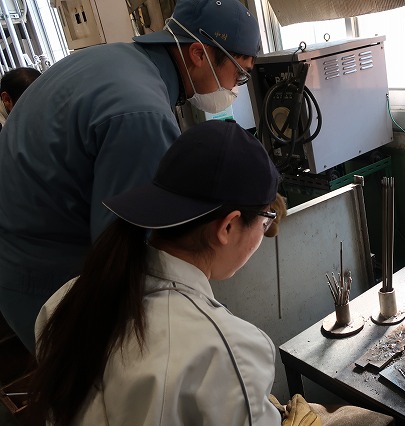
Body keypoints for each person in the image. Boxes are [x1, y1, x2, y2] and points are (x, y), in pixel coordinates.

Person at [0, 0, 262, 353]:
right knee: (106, 380)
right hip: (47, 275)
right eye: (239, 74)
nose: (236, 86)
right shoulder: (141, 114)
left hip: (23, 249)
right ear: (199, 54)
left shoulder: (118, 60)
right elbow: (130, 251)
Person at [30, 119, 283, 425]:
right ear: (228, 227)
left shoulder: (67, 300)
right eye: (265, 221)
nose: (264, 233)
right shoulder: (228, 351)